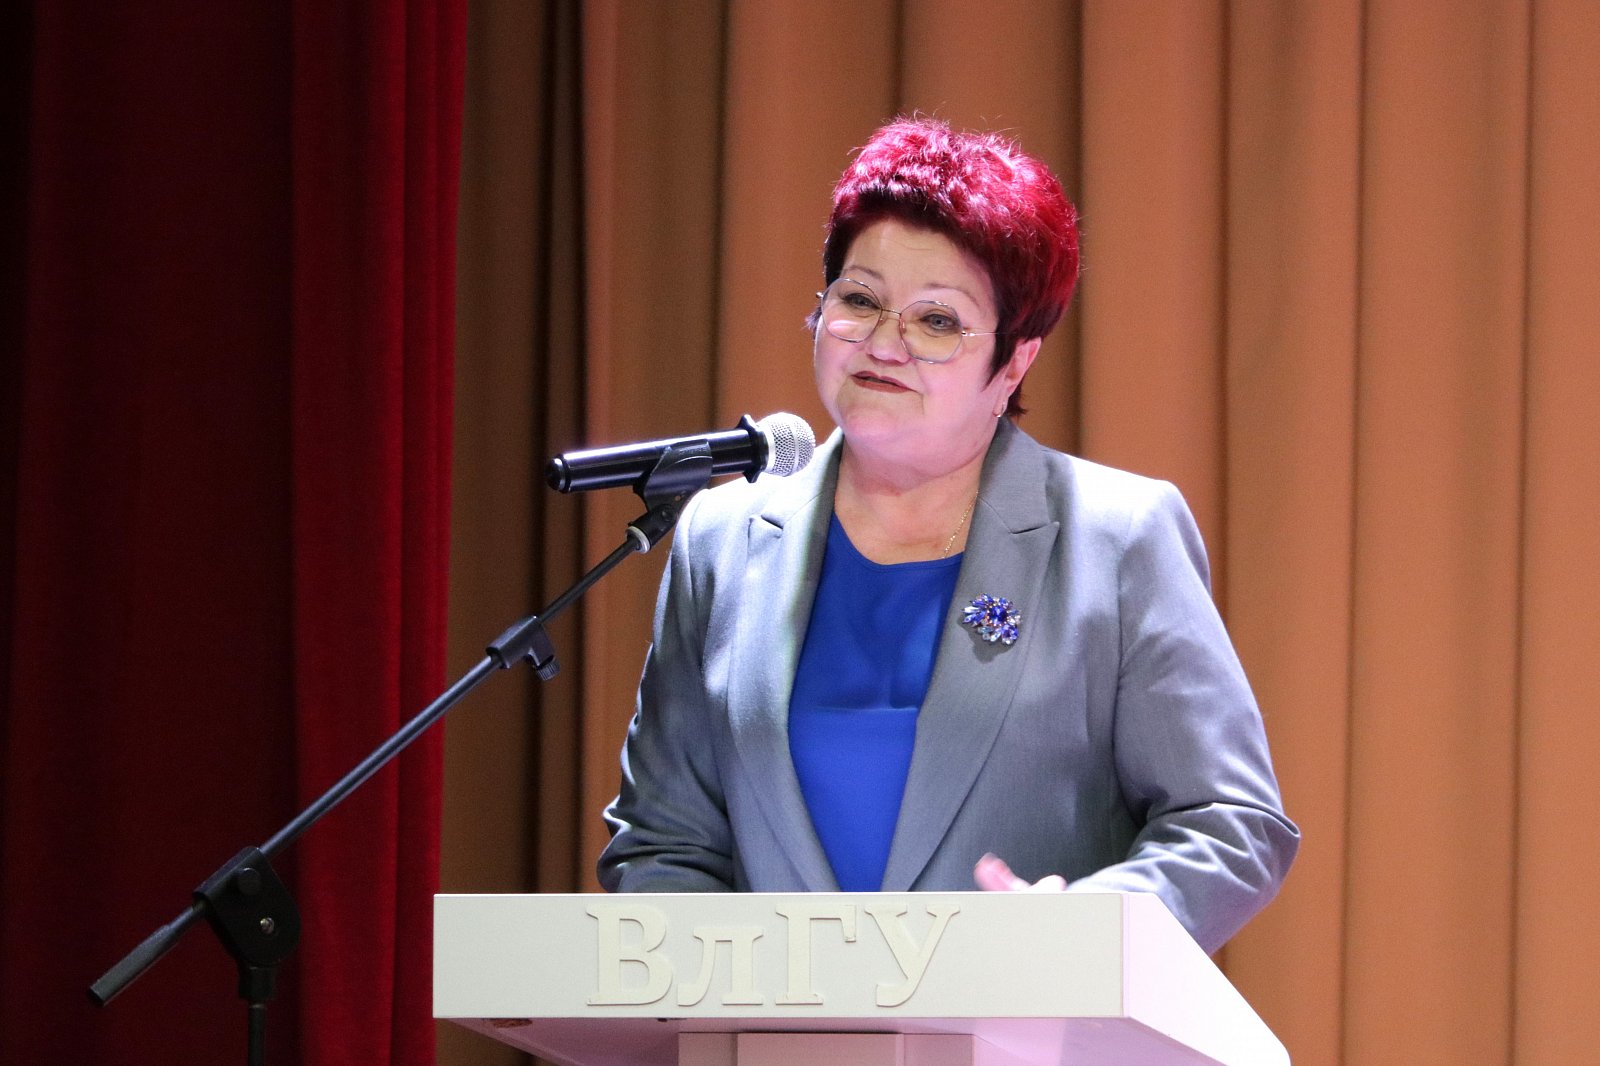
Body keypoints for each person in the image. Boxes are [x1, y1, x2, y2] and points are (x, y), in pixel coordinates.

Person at [598, 117, 1297, 953]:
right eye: (860, 300)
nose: (884, 345)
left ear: (1014, 361)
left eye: (936, 322)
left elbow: (1230, 821)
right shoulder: (721, 539)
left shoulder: (1117, 538)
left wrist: (1083, 933)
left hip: (1032, 1016)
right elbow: (663, 841)